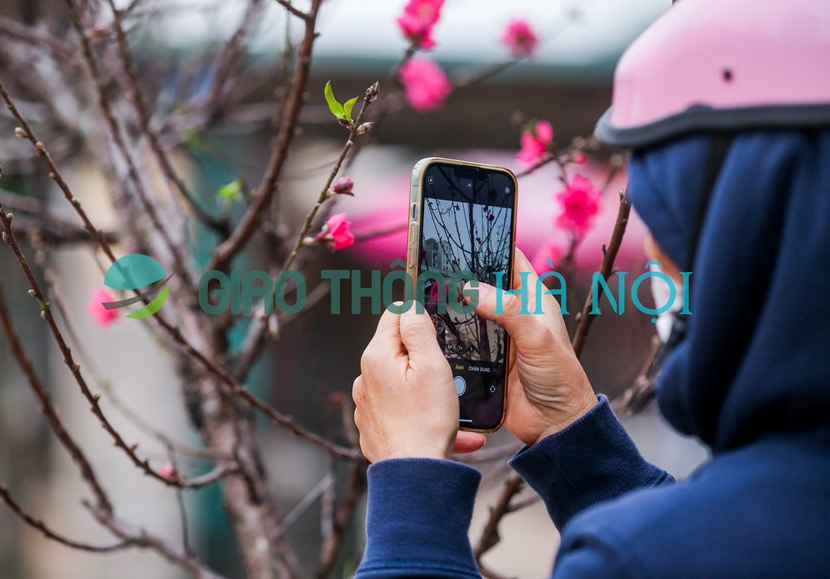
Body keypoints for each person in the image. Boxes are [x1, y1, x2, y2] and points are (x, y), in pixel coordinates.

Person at [351, 0, 830, 576]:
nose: (650, 252)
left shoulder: (641, 558)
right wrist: (572, 434)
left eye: (662, 220)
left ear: (742, 240)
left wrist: (410, 498)